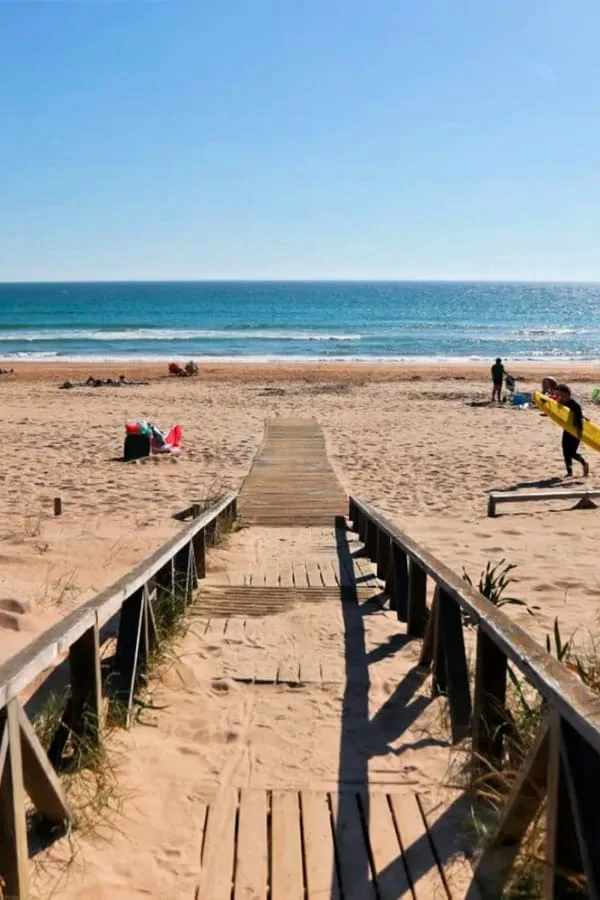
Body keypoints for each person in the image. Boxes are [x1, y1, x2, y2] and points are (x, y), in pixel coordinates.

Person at [555, 384, 589, 478]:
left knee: (572, 452)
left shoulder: (575, 405)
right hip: (567, 429)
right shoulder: (563, 404)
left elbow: (578, 419)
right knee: (565, 451)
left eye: (561, 394)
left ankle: (584, 463)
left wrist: (579, 433)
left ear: (567, 394)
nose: (560, 397)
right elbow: (558, 413)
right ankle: (569, 472)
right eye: (558, 395)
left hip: (575, 430)